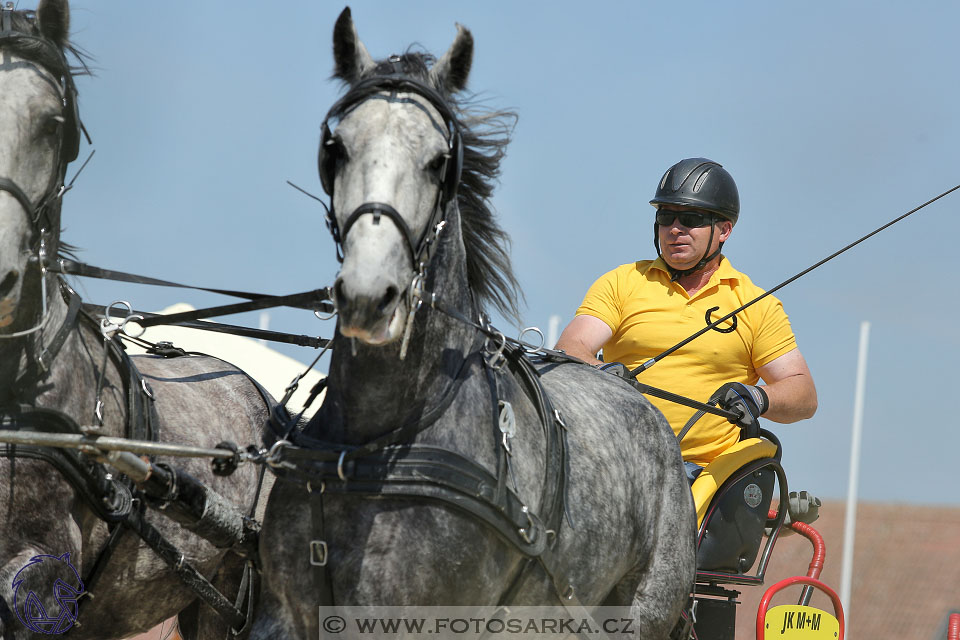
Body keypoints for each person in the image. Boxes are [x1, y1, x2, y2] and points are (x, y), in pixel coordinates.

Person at [555, 157, 817, 484]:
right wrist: (600, 372)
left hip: (705, 477)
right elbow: (571, 346)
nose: (675, 229)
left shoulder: (757, 305)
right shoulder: (622, 282)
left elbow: (803, 394)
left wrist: (759, 398)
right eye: (666, 217)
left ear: (724, 230)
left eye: (690, 218)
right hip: (616, 458)